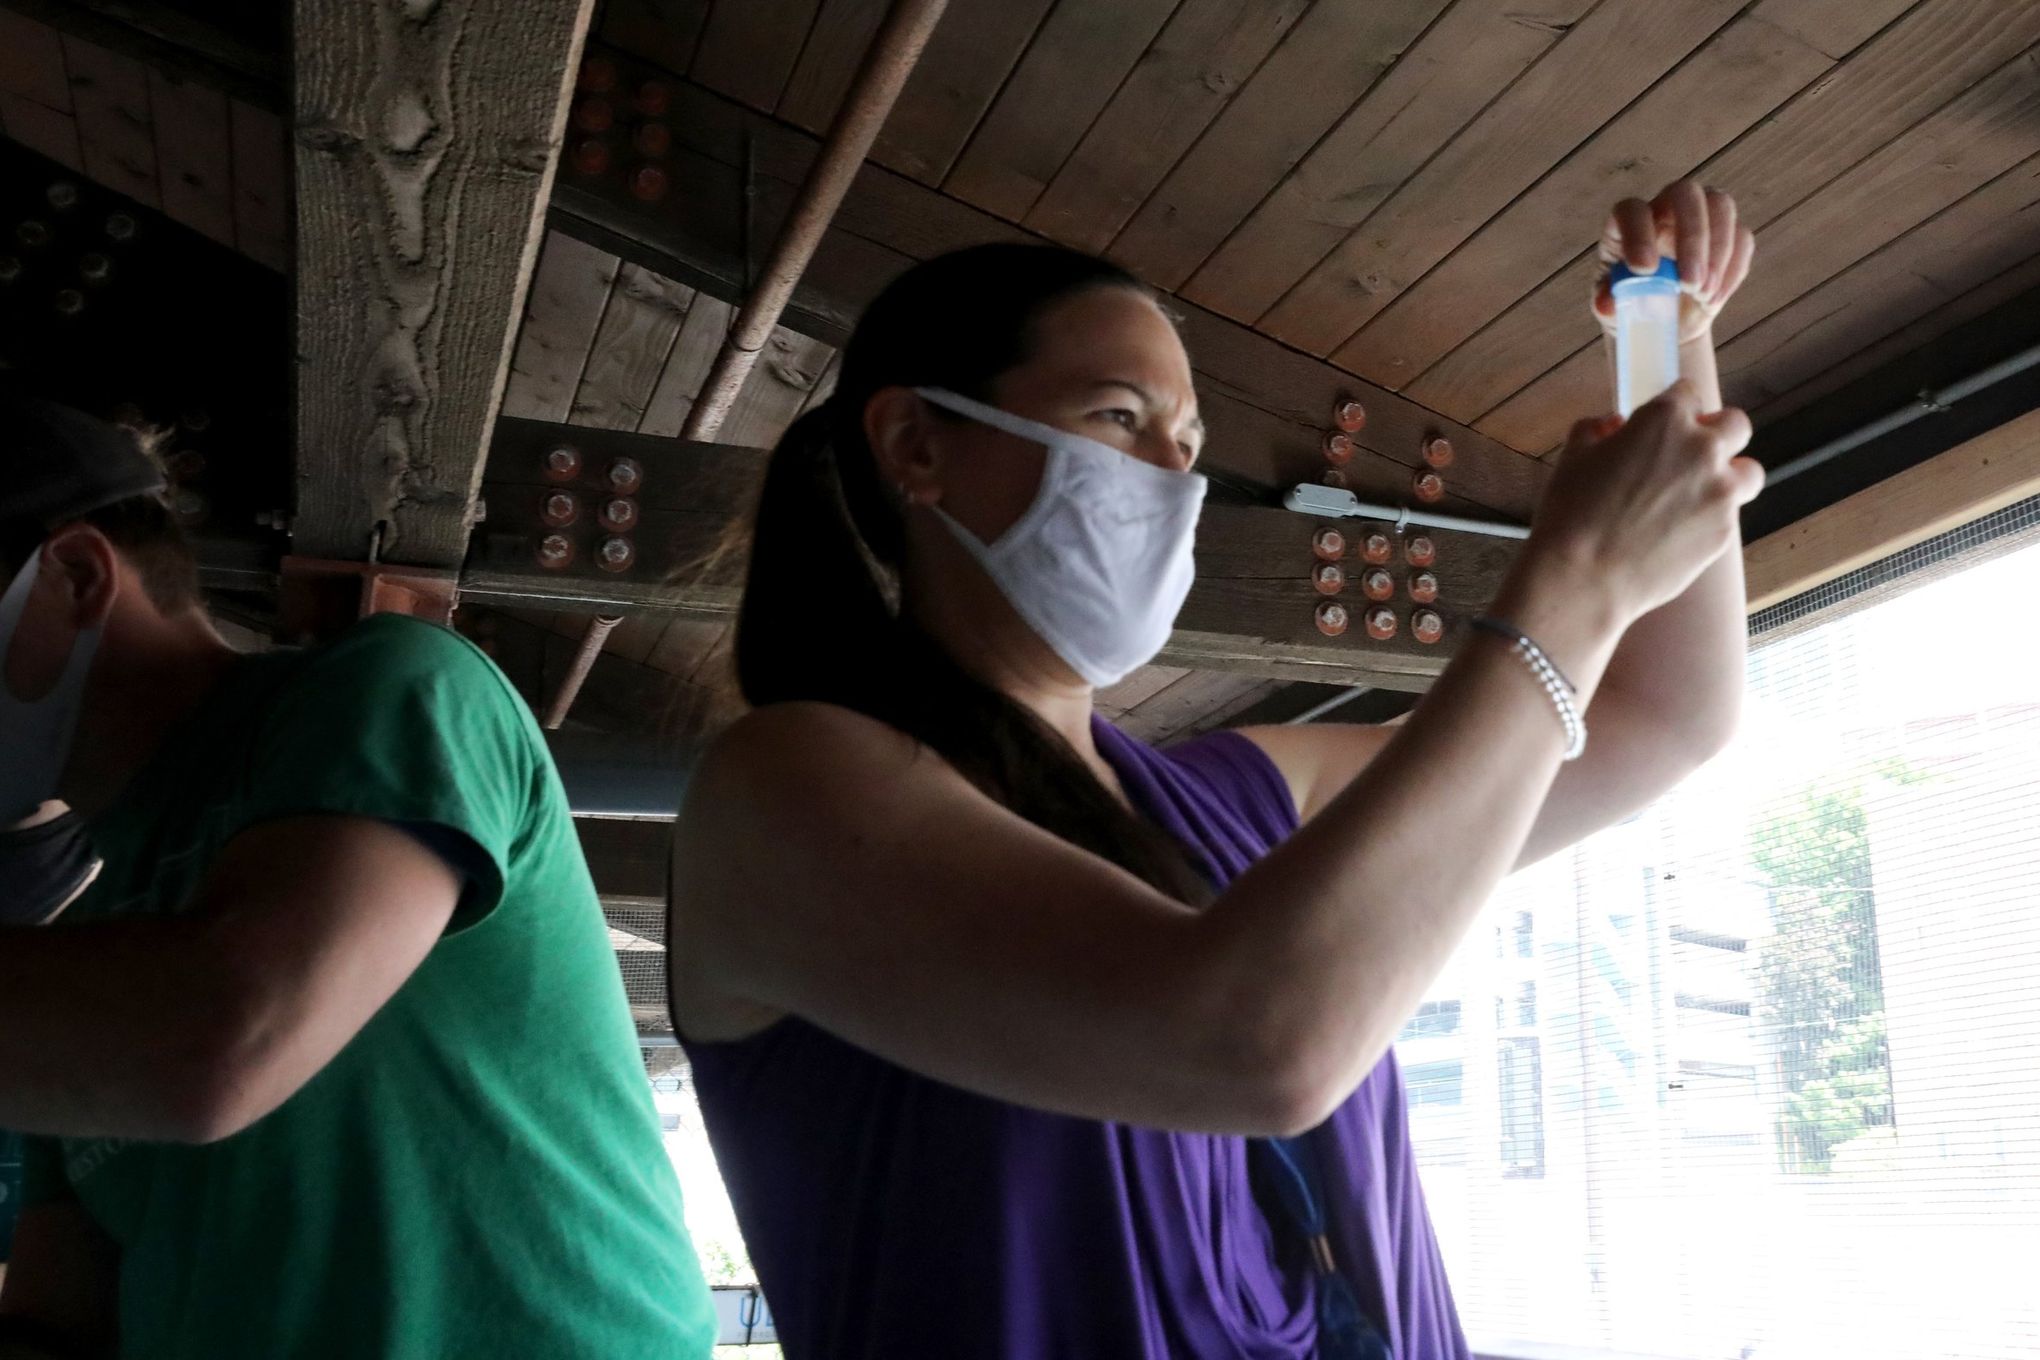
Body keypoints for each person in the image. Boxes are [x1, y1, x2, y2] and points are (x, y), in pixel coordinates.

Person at [668, 181, 1761, 1358]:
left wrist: (1670, 338)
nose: (1170, 474)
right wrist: (1575, 585)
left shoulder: (1235, 799)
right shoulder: (785, 790)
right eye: (1119, 416)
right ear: (917, 446)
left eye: (1186, 440)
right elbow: (1257, 1044)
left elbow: (1663, 714)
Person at [0, 397, 718, 1357]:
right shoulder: (81, 957)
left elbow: (222, 1036)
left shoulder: (394, 689)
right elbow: (59, 1322)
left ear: (76, 577)